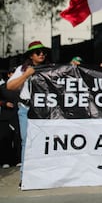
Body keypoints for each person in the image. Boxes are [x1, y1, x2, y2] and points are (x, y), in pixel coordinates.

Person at [7, 41, 50, 185]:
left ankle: (44, 174)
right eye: (38, 53)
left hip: (45, 110)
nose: (42, 54)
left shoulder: (49, 68)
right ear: (31, 56)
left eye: (43, 52)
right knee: (27, 142)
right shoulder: (22, 69)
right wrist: (26, 75)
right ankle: (25, 177)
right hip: (26, 110)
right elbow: (10, 86)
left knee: (45, 142)